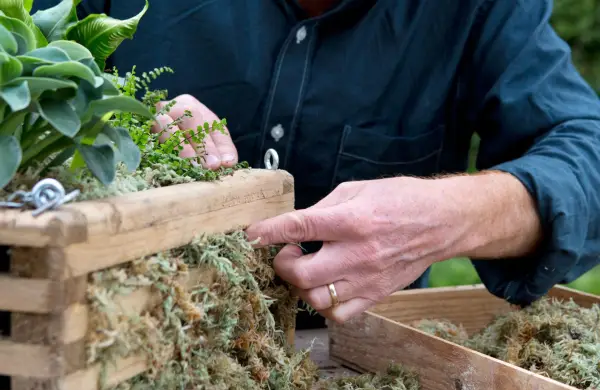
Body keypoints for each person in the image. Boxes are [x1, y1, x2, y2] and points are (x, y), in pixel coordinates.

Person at [33, 0, 600, 325]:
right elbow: (21, 62)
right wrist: (104, 113)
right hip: (104, 331)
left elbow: (586, 156)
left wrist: (454, 214)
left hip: (351, 358)